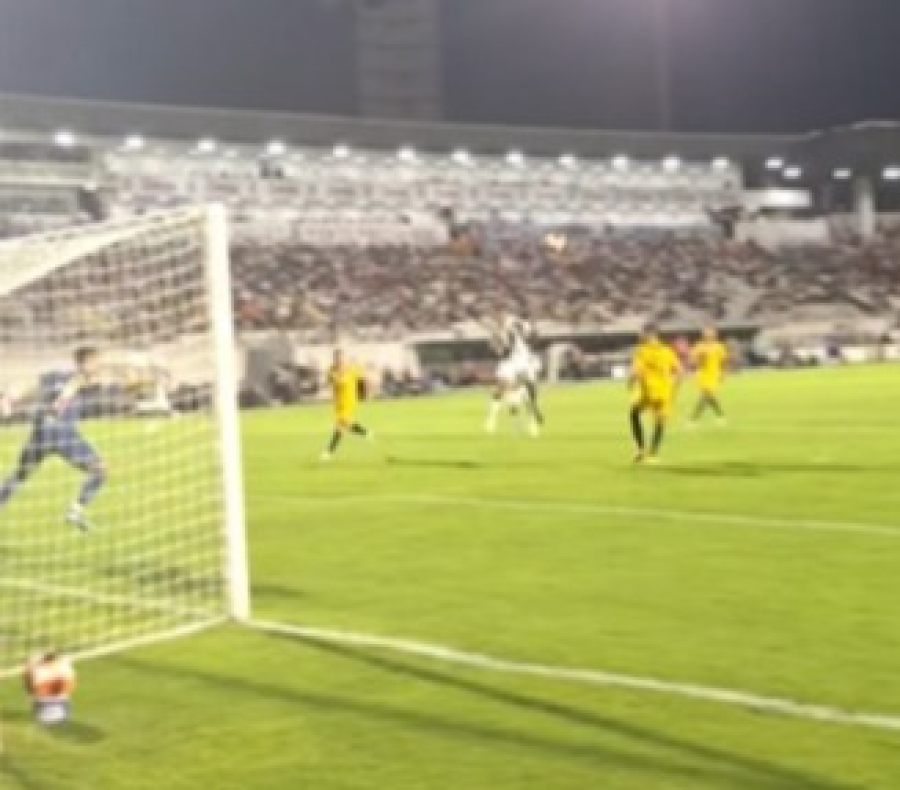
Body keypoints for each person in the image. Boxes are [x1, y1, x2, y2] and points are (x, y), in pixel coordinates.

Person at [0, 347, 107, 530]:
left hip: (40, 432)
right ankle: (75, 511)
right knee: (101, 469)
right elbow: (68, 391)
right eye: (97, 363)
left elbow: (31, 384)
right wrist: (60, 405)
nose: (99, 367)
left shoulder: (54, 375)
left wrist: (9, 398)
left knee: (19, 475)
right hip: (61, 433)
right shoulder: (78, 378)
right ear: (86, 363)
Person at [485, 313, 544, 436]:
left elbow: (532, 335)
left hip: (523, 359)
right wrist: (498, 344)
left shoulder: (514, 325)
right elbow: (501, 351)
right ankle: (491, 419)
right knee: (503, 389)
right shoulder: (498, 334)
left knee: (528, 392)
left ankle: (532, 422)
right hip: (510, 362)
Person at [629, 326, 682, 463]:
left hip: (649, 391)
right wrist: (674, 390)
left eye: (641, 334)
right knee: (660, 421)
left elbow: (636, 371)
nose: (639, 336)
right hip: (665, 391)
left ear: (649, 334)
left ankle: (641, 448)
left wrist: (631, 381)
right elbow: (679, 372)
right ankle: (653, 453)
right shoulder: (667, 350)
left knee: (634, 413)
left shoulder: (642, 351)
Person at [320, 349, 372, 462]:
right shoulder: (331, 370)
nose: (339, 361)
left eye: (341, 358)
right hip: (338, 403)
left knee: (341, 425)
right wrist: (333, 378)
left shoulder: (352, 368)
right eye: (337, 359)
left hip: (349, 401)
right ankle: (365, 432)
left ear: (345, 358)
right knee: (344, 425)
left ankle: (328, 453)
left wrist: (364, 392)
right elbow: (333, 381)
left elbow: (363, 378)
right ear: (334, 360)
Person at [690, 327, 728, 424]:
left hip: (714, 374)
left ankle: (693, 419)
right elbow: (693, 361)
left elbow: (723, 360)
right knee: (707, 396)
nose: (709, 335)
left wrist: (723, 372)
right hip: (702, 374)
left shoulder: (719, 346)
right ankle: (720, 416)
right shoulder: (699, 346)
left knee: (707, 396)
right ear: (704, 334)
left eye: (711, 333)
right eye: (707, 333)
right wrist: (700, 359)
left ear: (715, 334)